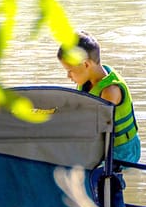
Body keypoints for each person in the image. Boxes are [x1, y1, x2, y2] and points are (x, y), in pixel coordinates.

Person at [57, 31, 140, 164]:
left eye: (70, 70)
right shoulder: (88, 79)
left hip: (121, 152)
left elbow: (96, 131)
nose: (68, 76)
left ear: (86, 64)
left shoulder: (110, 91)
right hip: (101, 143)